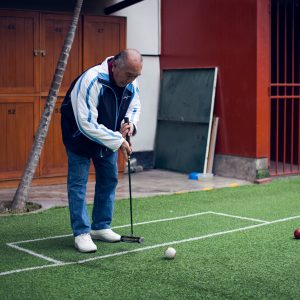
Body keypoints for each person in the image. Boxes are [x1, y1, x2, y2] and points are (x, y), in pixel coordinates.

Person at [61, 49, 142, 253]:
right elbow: (86, 123)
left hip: (108, 135)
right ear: (115, 66)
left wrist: (129, 124)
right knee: (78, 183)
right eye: (129, 75)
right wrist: (119, 140)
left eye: (136, 76)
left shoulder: (131, 80)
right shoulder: (92, 80)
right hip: (79, 135)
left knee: (109, 178)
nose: (132, 80)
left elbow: (134, 105)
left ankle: (100, 226)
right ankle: (81, 233)